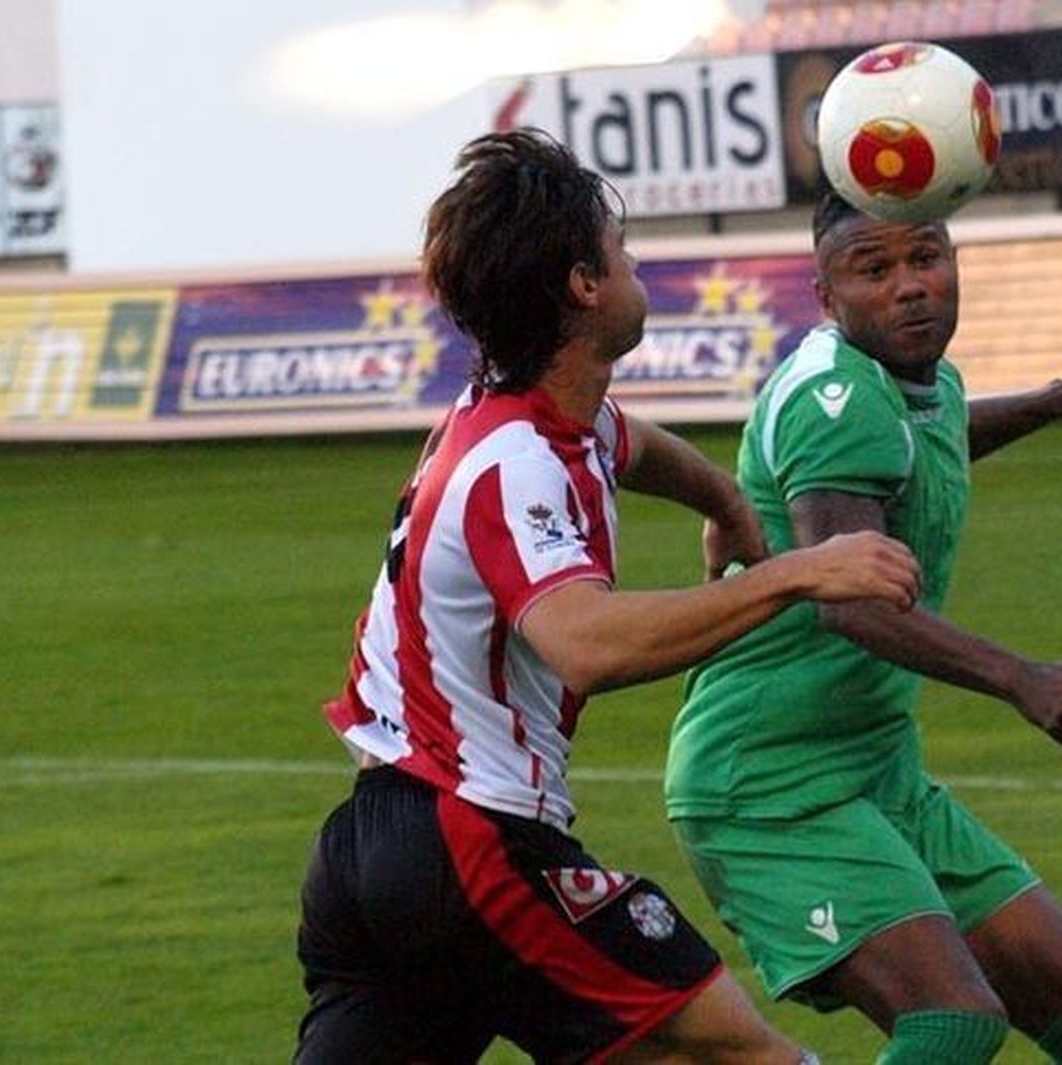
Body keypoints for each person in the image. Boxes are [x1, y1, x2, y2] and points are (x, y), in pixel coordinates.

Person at [294, 132, 921, 1065]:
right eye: (619, 247)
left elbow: (631, 445)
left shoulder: (534, 415)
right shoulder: (514, 464)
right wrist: (798, 571)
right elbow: (587, 643)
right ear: (585, 285)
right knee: (727, 1048)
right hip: (470, 839)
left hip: (377, 853)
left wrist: (726, 501)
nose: (636, 261)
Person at [665, 190, 1062, 1065]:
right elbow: (849, 597)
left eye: (927, 258)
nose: (911, 286)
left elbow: (921, 439)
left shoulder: (918, 382)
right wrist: (1021, 676)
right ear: (826, 296)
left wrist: (1059, 396)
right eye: (875, 269)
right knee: (953, 1021)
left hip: (874, 766)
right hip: (768, 786)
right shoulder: (831, 394)